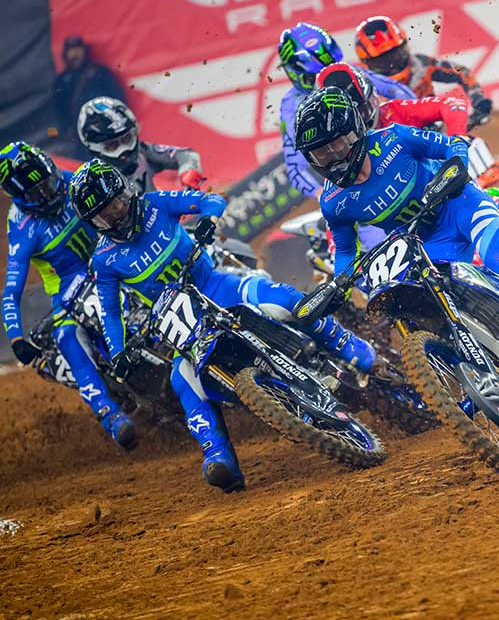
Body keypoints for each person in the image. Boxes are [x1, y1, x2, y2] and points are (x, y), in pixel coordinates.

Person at [68, 160, 375, 492]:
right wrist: (118, 352)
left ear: (126, 192)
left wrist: (207, 221)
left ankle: (349, 346)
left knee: (285, 300)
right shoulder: (104, 260)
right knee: (183, 381)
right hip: (179, 321)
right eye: (103, 216)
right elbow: (110, 312)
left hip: (216, 285)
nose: (115, 216)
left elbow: (210, 200)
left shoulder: (156, 204)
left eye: (115, 205)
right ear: (93, 223)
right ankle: (217, 455)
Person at [292, 87, 499, 343]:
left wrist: (455, 167)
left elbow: (450, 145)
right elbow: (346, 249)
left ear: (354, 131)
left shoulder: (394, 139)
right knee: (449, 298)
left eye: (337, 145)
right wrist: (339, 284)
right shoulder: (333, 202)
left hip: (459, 205)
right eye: (321, 154)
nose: (333, 158)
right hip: (426, 241)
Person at [317, 62, 499, 251]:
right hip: (406, 232)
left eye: (366, 107)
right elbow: (336, 212)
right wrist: (339, 254)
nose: (365, 118)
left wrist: (457, 140)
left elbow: (452, 103)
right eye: (357, 113)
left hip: (447, 190)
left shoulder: (393, 112)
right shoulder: (341, 167)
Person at [0, 142, 135, 449]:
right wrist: (16, 339)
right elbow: (11, 291)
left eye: (49, 181)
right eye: (39, 191)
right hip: (68, 293)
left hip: (111, 260)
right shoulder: (21, 228)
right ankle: (111, 415)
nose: (51, 192)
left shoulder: (70, 179)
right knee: (67, 338)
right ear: (20, 197)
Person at [278, 22, 415, 200]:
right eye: (314, 75)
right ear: (297, 74)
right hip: (347, 178)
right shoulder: (291, 106)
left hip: (384, 148)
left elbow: (396, 90)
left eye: (331, 65)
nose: (325, 76)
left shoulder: (346, 71)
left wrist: (420, 117)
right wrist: (322, 196)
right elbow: (295, 166)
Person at [354, 16, 493, 127]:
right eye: (382, 60)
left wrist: (478, 99)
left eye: (396, 54)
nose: (391, 63)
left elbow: (462, 73)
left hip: (438, 128)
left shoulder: (421, 64)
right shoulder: (365, 86)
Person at [77, 96, 205, 193]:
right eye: (112, 146)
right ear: (94, 149)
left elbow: (186, 154)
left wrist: (188, 171)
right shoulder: (92, 185)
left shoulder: (142, 152)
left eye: (126, 139)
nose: (123, 151)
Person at [53, 37, 125, 154]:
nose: (75, 53)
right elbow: (59, 109)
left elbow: (117, 98)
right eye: (71, 50)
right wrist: (66, 130)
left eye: (77, 49)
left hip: (104, 130)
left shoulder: (99, 72)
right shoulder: (62, 80)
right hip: (78, 135)